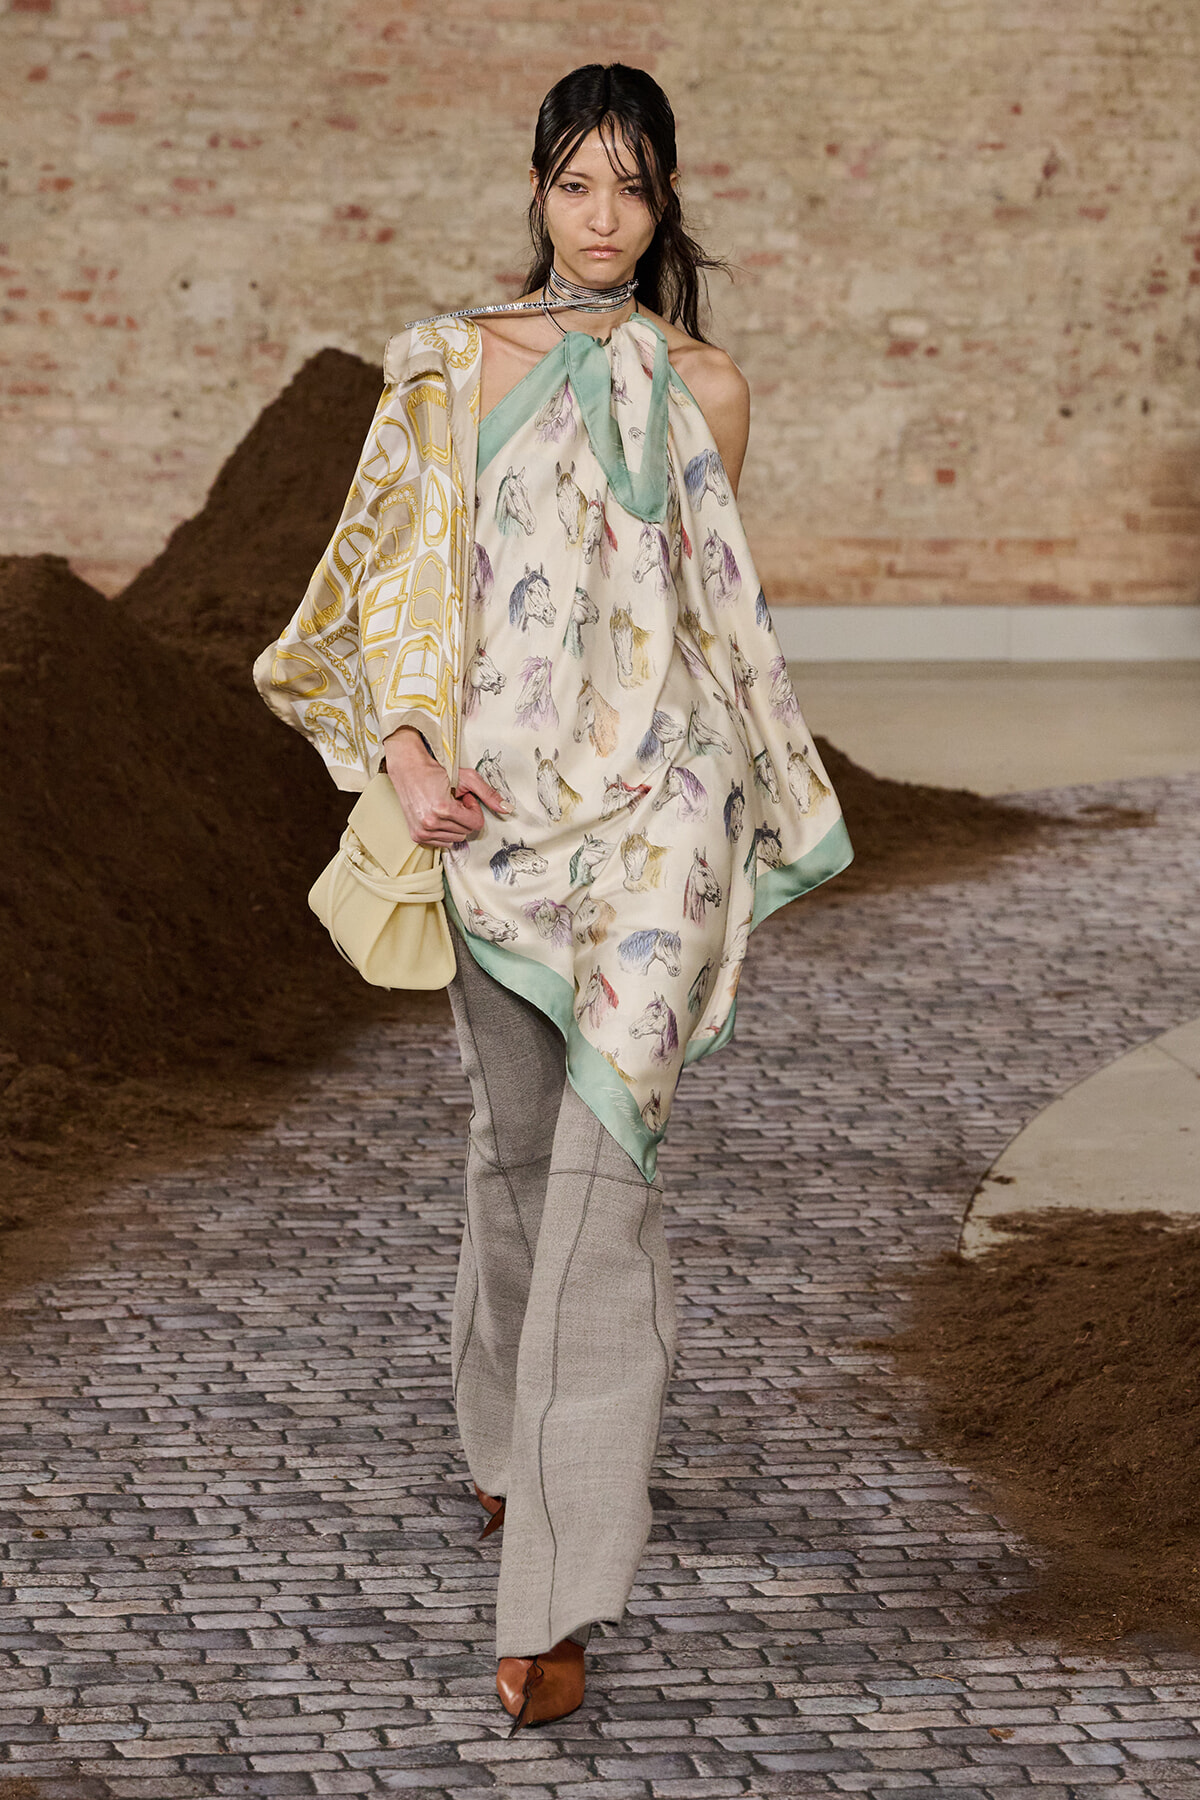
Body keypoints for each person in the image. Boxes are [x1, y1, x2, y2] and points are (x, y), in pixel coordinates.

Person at [254, 61, 851, 1733]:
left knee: (602, 1171)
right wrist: (407, 758)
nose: (602, 217)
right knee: (519, 1149)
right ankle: (501, 1435)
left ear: (665, 206)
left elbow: (698, 615)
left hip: (660, 814)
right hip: (496, 813)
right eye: (576, 183)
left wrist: (740, 799)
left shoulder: (707, 388)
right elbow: (385, 594)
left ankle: (558, 1591)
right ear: (536, 191)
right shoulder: (446, 367)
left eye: (631, 188)